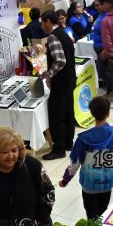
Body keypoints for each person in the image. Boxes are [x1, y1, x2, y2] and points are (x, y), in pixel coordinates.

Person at [59, 96, 113, 219]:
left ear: (91, 114)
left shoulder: (83, 139)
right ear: (108, 113)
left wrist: (65, 180)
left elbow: (74, 164)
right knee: (103, 211)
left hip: (89, 185)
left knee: (91, 215)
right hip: (108, 183)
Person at [40, 10, 76, 160]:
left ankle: (59, 149)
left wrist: (49, 74)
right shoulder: (63, 32)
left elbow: (60, 60)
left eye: (43, 22)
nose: (42, 26)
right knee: (68, 111)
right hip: (70, 78)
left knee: (56, 115)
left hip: (61, 82)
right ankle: (68, 142)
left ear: (48, 21)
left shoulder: (53, 36)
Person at [90, 0, 111, 95]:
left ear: (104, 4)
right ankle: (111, 89)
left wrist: (106, 49)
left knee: (101, 71)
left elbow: (110, 35)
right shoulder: (100, 15)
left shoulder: (108, 16)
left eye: (98, 5)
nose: (96, 7)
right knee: (104, 70)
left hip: (103, 48)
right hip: (98, 47)